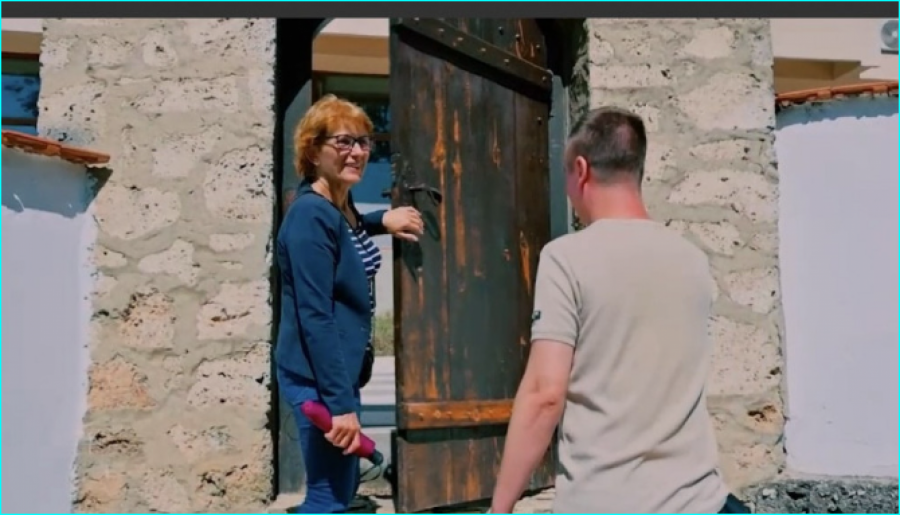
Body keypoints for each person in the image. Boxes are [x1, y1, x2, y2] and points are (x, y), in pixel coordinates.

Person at [489, 107, 749, 514]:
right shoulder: (693, 259)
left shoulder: (566, 258)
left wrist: (500, 508)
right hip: (700, 502)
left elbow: (544, 394)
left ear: (580, 170)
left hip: (608, 501)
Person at [276, 94, 424, 514]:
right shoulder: (311, 216)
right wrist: (340, 406)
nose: (357, 152)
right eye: (343, 142)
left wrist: (381, 220)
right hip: (318, 379)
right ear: (313, 151)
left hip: (335, 373)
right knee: (328, 500)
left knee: (338, 490)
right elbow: (315, 316)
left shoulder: (340, 205)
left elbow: (346, 237)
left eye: (363, 142)